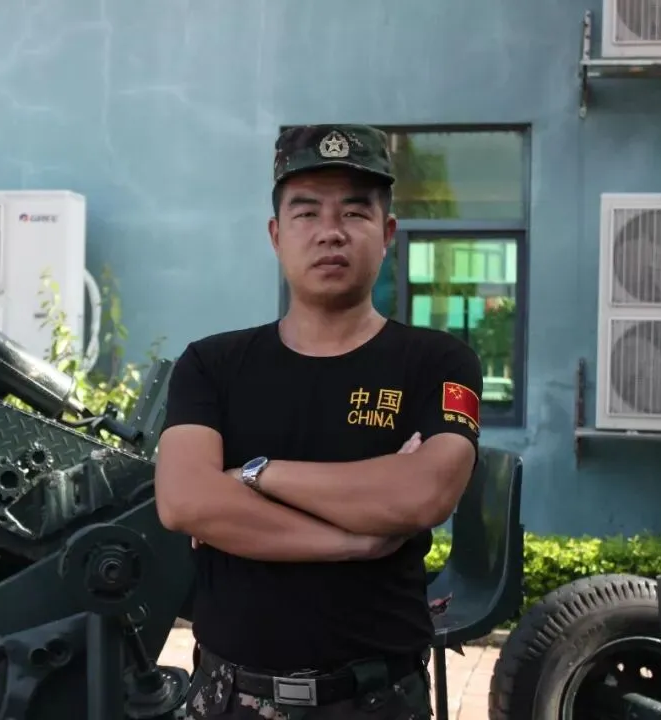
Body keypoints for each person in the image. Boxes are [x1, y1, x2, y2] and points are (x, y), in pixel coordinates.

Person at [154, 124, 484, 720]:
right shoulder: (212, 364)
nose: (331, 231)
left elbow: (425, 492)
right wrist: (353, 540)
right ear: (276, 235)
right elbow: (183, 502)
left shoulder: (438, 363)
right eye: (306, 212)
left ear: (387, 234)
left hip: (378, 701)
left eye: (354, 213)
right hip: (229, 699)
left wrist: (254, 475)